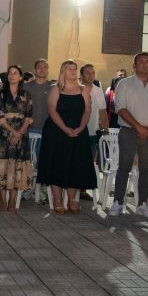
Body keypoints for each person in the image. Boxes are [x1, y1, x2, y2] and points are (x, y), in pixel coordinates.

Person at [37, 60, 96, 214]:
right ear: (63, 71)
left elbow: (87, 110)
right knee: (57, 164)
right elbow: (52, 110)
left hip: (78, 131)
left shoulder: (83, 89)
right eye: (69, 68)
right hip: (57, 132)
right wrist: (65, 128)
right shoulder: (56, 89)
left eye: (74, 69)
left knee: (75, 165)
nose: (72, 71)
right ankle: (57, 200)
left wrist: (81, 127)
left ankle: (71, 199)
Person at [110, 53, 148, 218]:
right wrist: (139, 128)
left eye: (147, 61)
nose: (145, 64)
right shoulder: (124, 84)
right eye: (141, 61)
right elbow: (120, 108)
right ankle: (118, 203)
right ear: (134, 66)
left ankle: (142, 204)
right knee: (124, 167)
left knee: (146, 169)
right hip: (128, 131)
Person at [0, 65, 34, 212]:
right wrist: (12, 132)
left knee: (17, 167)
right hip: (4, 135)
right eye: (10, 73)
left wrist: (19, 133)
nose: (12, 75)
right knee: (3, 167)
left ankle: (13, 199)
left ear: (20, 77)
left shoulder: (26, 94)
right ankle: (3, 199)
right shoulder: (0, 94)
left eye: (15, 73)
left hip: (22, 135)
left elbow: (29, 116)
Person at [80, 63, 109, 160]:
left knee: (90, 161)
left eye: (93, 73)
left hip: (92, 132)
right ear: (81, 75)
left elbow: (102, 112)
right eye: (87, 73)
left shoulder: (98, 91)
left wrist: (106, 130)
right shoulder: (76, 89)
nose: (91, 75)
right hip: (77, 132)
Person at [25, 58, 53, 135]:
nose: (42, 69)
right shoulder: (26, 86)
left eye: (45, 67)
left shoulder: (54, 87)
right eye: (39, 67)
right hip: (29, 128)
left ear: (48, 71)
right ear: (34, 70)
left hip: (48, 128)